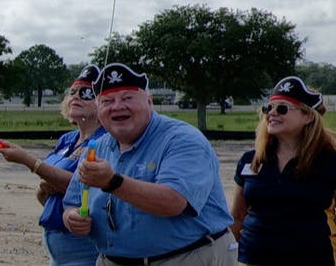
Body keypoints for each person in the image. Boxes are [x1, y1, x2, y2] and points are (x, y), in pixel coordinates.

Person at [62, 63, 235, 265]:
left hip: (185, 257)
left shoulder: (183, 140)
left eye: (127, 98)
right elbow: (71, 202)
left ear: (149, 102)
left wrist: (112, 182)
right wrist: (72, 218)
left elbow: (173, 202)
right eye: (107, 101)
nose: (117, 106)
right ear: (99, 110)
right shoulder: (96, 148)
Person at [0, 67, 105, 266]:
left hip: (83, 246)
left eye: (87, 93)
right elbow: (52, 185)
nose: (76, 96)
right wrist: (43, 190)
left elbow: (80, 185)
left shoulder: (103, 141)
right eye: (73, 92)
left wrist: (29, 160)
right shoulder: (67, 139)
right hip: (56, 241)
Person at [231, 76, 336, 265]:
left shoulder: (331, 162)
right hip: (254, 259)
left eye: (282, 108)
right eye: (269, 108)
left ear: (308, 116)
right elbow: (237, 217)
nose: (272, 113)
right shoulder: (250, 160)